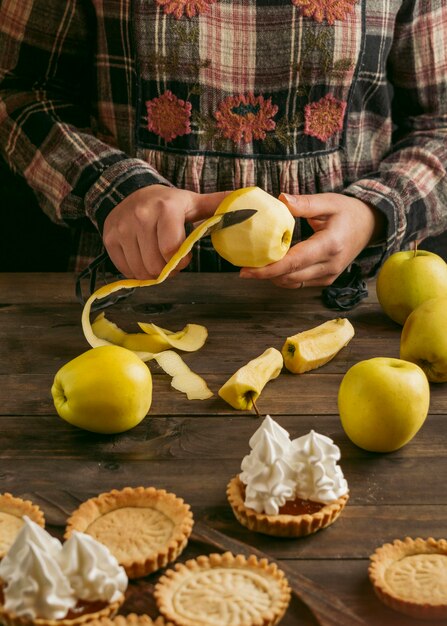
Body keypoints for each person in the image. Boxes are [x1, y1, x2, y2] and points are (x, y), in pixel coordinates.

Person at [0, 0, 446, 290]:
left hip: (349, 303)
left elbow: (440, 121)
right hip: (129, 295)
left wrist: (373, 213)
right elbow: (18, 89)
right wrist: (115, 186)